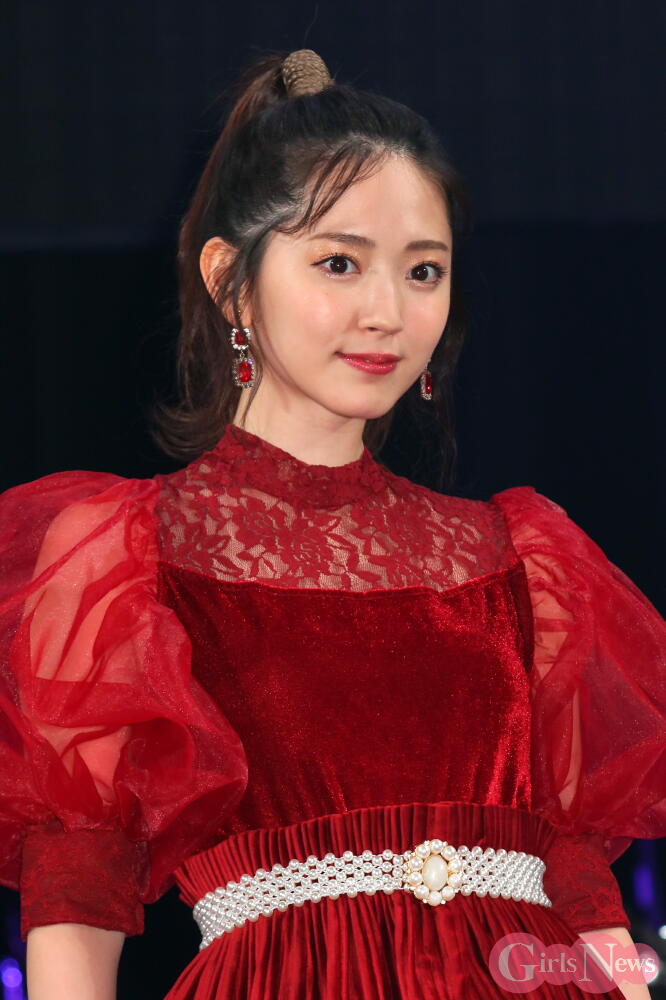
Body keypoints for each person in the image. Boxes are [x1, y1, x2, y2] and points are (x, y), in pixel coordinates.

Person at [0, 47, 664, 1000]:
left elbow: (579, 879)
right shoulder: (123, 554)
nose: (387, 311)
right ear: (231, 280)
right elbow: (79, 892)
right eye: (340, 263)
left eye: (424, 270)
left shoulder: (522, 554)